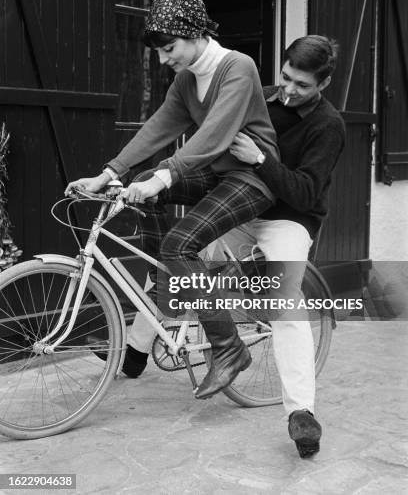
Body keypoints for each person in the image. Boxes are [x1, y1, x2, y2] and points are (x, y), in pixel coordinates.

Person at [99, 35, 345, 459]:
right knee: (181, 267)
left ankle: (301, 411)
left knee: (285, 304)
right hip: (239, 204)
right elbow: (204, 135)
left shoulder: (329, 125)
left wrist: (261, 160)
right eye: (285, 78)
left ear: (323, 84)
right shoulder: (261, 97)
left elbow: (306, 192)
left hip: (288, 217)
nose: (288, 90)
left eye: (302, 86)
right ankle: (137, 350)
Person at [65, 0, 279, 400]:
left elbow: (215, 135)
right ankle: (168, 289)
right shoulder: (185, 82)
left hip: (253, 179)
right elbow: (159, 128)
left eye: (169, 48)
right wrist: (109, 173)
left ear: (197, 32)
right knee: (151, 191)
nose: (164, 60)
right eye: (160, 52)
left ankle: (228, 348)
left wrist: (164, 176)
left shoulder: (239, 67)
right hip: (217, 175)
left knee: (176, 239)